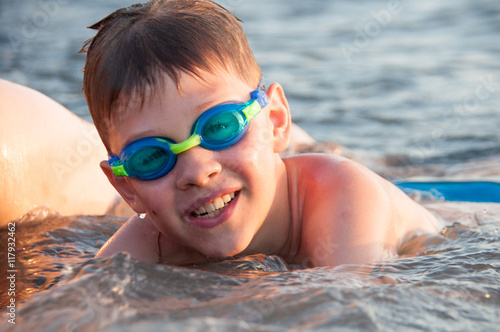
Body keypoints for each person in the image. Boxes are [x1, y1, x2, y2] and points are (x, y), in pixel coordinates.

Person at [78, 0, 441, 267]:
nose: (197, 172)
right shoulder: (147, 243)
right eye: (152, 157)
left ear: (277, 120)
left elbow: (345, 311)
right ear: (127, 188)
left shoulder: (345, 196)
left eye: (220, 127)